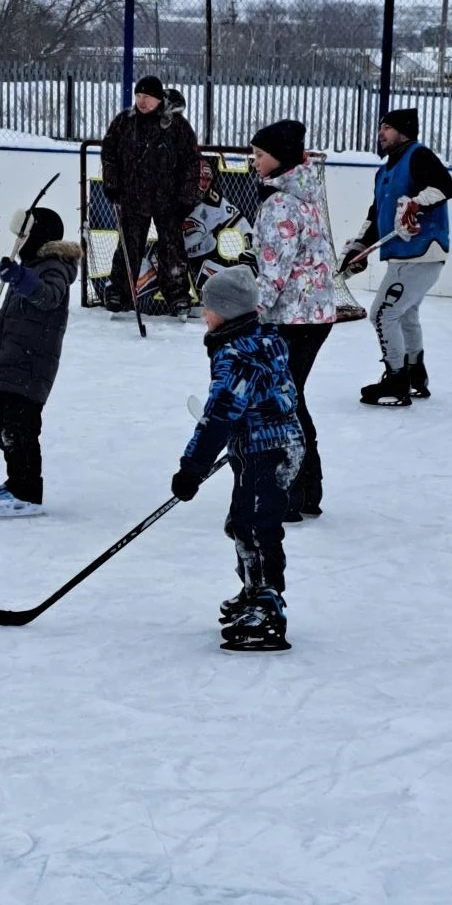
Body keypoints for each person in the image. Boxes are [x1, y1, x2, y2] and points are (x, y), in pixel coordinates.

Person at [170, 265, 304, 652]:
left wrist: (191, 469)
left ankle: (267, 606)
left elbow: (219, 417)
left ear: (225, 312)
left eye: (207, 308)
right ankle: (253, 592)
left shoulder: (236, 355)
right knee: (243, 523)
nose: (203, 314)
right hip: (268, 445)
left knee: (259, 528)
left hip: (270, 450)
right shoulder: (259, 339)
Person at [0, 207, 80, 517]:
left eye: (23, 235)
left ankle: (27, 491)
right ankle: (16, 480)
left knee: (20, 429)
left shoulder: (53, 269)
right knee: (2, 424)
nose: (17, 242)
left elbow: (47, 297)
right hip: (12, 359)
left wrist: (21, 278)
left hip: (32, 365)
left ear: (38, 237)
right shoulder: (31, 266)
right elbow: (9, 317)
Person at [248, 119, 336, 521]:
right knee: (291, 397)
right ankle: (306, 491)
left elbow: (272, 272)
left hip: (294, 317)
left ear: (279, 158)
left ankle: (294, 492)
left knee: (284, 401)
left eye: (260, 155)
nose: (253, 161)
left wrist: (245, 315)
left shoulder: (280, 203)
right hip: (312, 313)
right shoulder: (304, 191)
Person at [338, 107, 452, 406]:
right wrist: (359, 247)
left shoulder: (419, 155)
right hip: (405, 256)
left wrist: (416, 204)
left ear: (403, 131)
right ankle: (415, 373)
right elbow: (376, 214)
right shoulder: (385, 170)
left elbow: (445, 186)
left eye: (387, 128)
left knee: (382, 313)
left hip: (421, 252)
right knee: (405, 314)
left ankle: (396, 379)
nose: (381, 134)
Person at [100, 75, 200, 319]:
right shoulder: (125, 122)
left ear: (158, 99)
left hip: (169, 199)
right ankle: (120, 292)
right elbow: (109, 153)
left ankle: (177, 295)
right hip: (133, 197)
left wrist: (186, 196)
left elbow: (190, 162)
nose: (142, 101)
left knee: (171, 247)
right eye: (138, 96)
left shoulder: (175, 124)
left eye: (147, 97)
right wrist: (111, 183)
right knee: (128, 245)